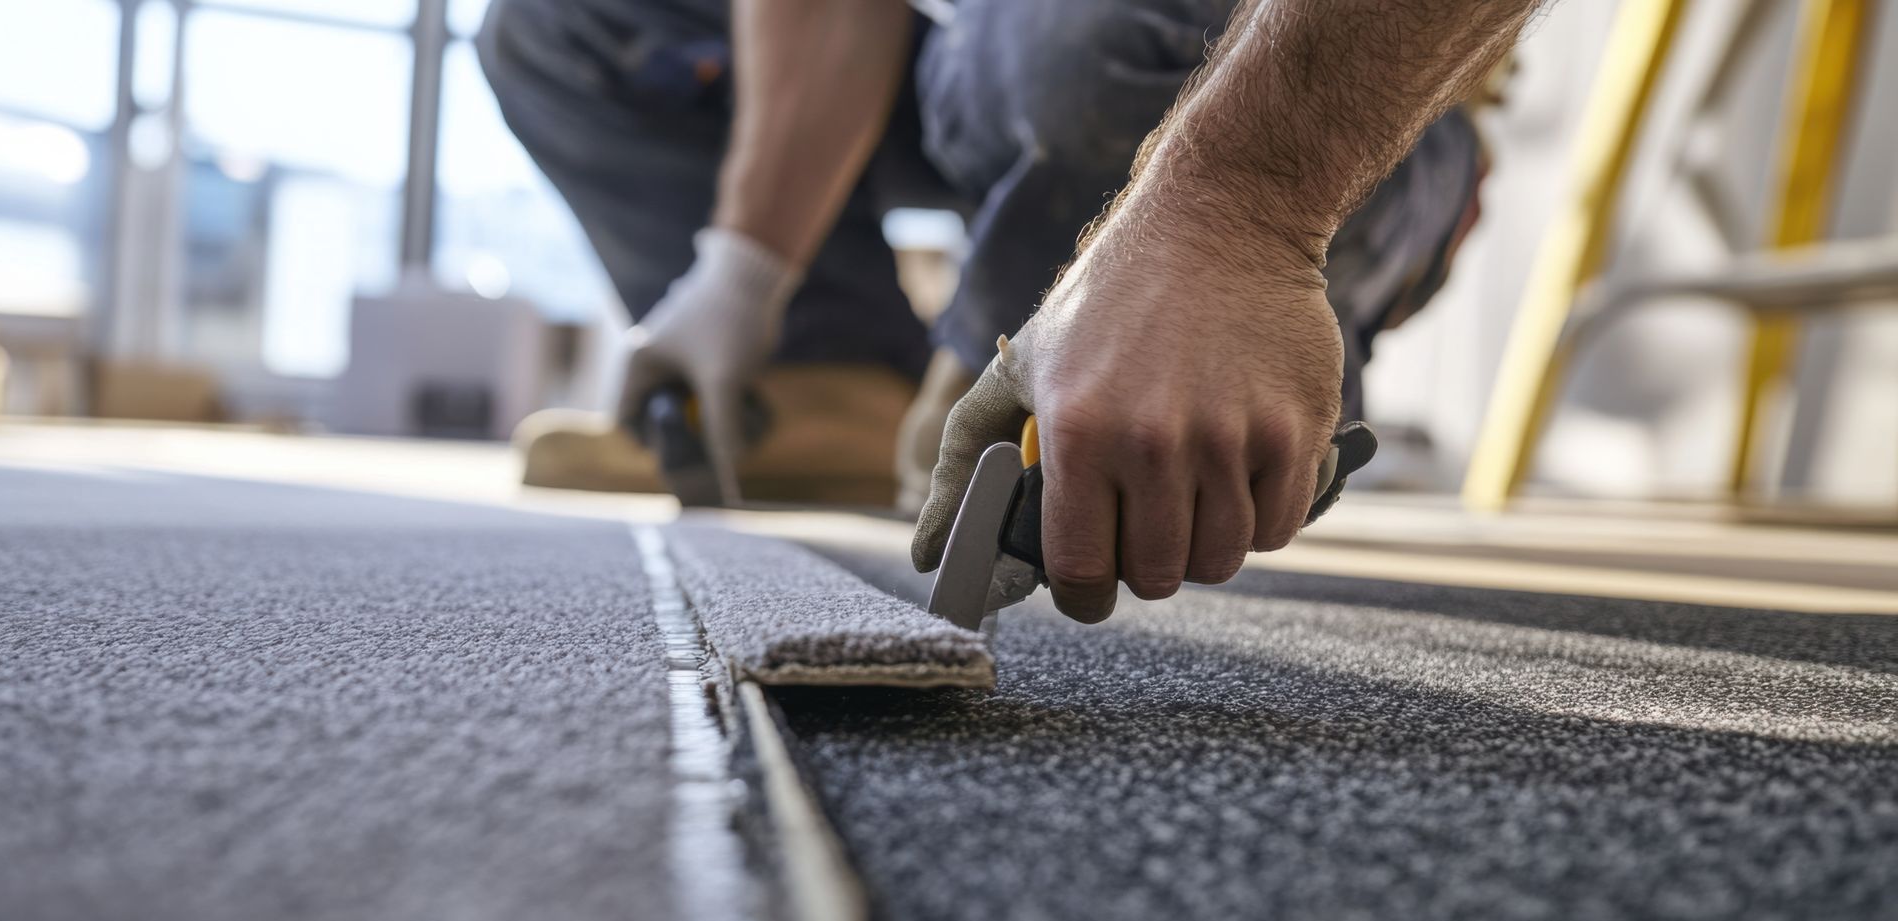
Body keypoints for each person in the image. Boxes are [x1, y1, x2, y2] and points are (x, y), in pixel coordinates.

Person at [482, 0, 1535, 623]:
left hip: (1329, 88)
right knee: (571, 23)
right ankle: (828, 378)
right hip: (987, 68)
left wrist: (1240, 217)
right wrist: (743, 270)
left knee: (1084, 47)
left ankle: (1184, 321)